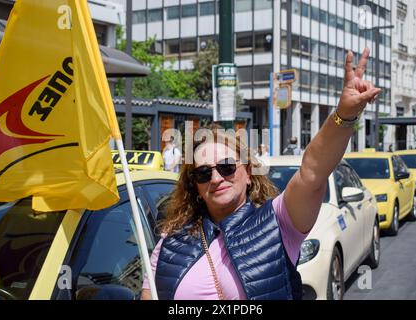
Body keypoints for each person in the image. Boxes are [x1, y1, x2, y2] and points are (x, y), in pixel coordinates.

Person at [141, 48, 381, 300]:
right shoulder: (169, 243)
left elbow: (313, 172)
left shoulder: (278, 222)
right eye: (203, 173)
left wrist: (344, 115)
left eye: (226, 167)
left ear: (248, 172)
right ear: (196, 188)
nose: (215, 178)